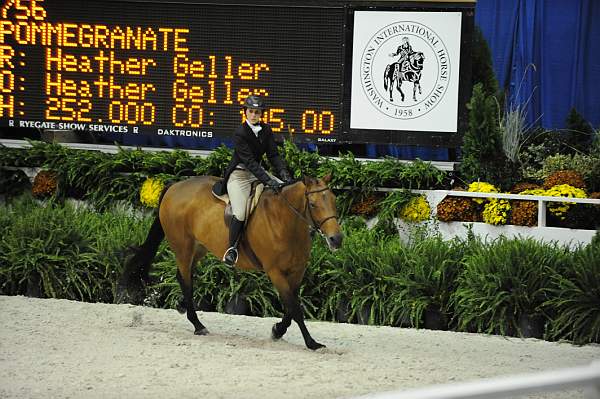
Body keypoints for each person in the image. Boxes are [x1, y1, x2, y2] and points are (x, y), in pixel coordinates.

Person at [220, 95, 293, 266]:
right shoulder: (240, 132)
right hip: (240, 175)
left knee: (286, 192)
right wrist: (268, 180)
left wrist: (283, 174)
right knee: (240, 212)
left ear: (261, 114)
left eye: (257, 112)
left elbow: (273, 155)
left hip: (257, 172)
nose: (254, 115)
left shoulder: (266, 130)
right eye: (251, 111)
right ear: (245, 112)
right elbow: (250, 162)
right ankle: (232, 250)